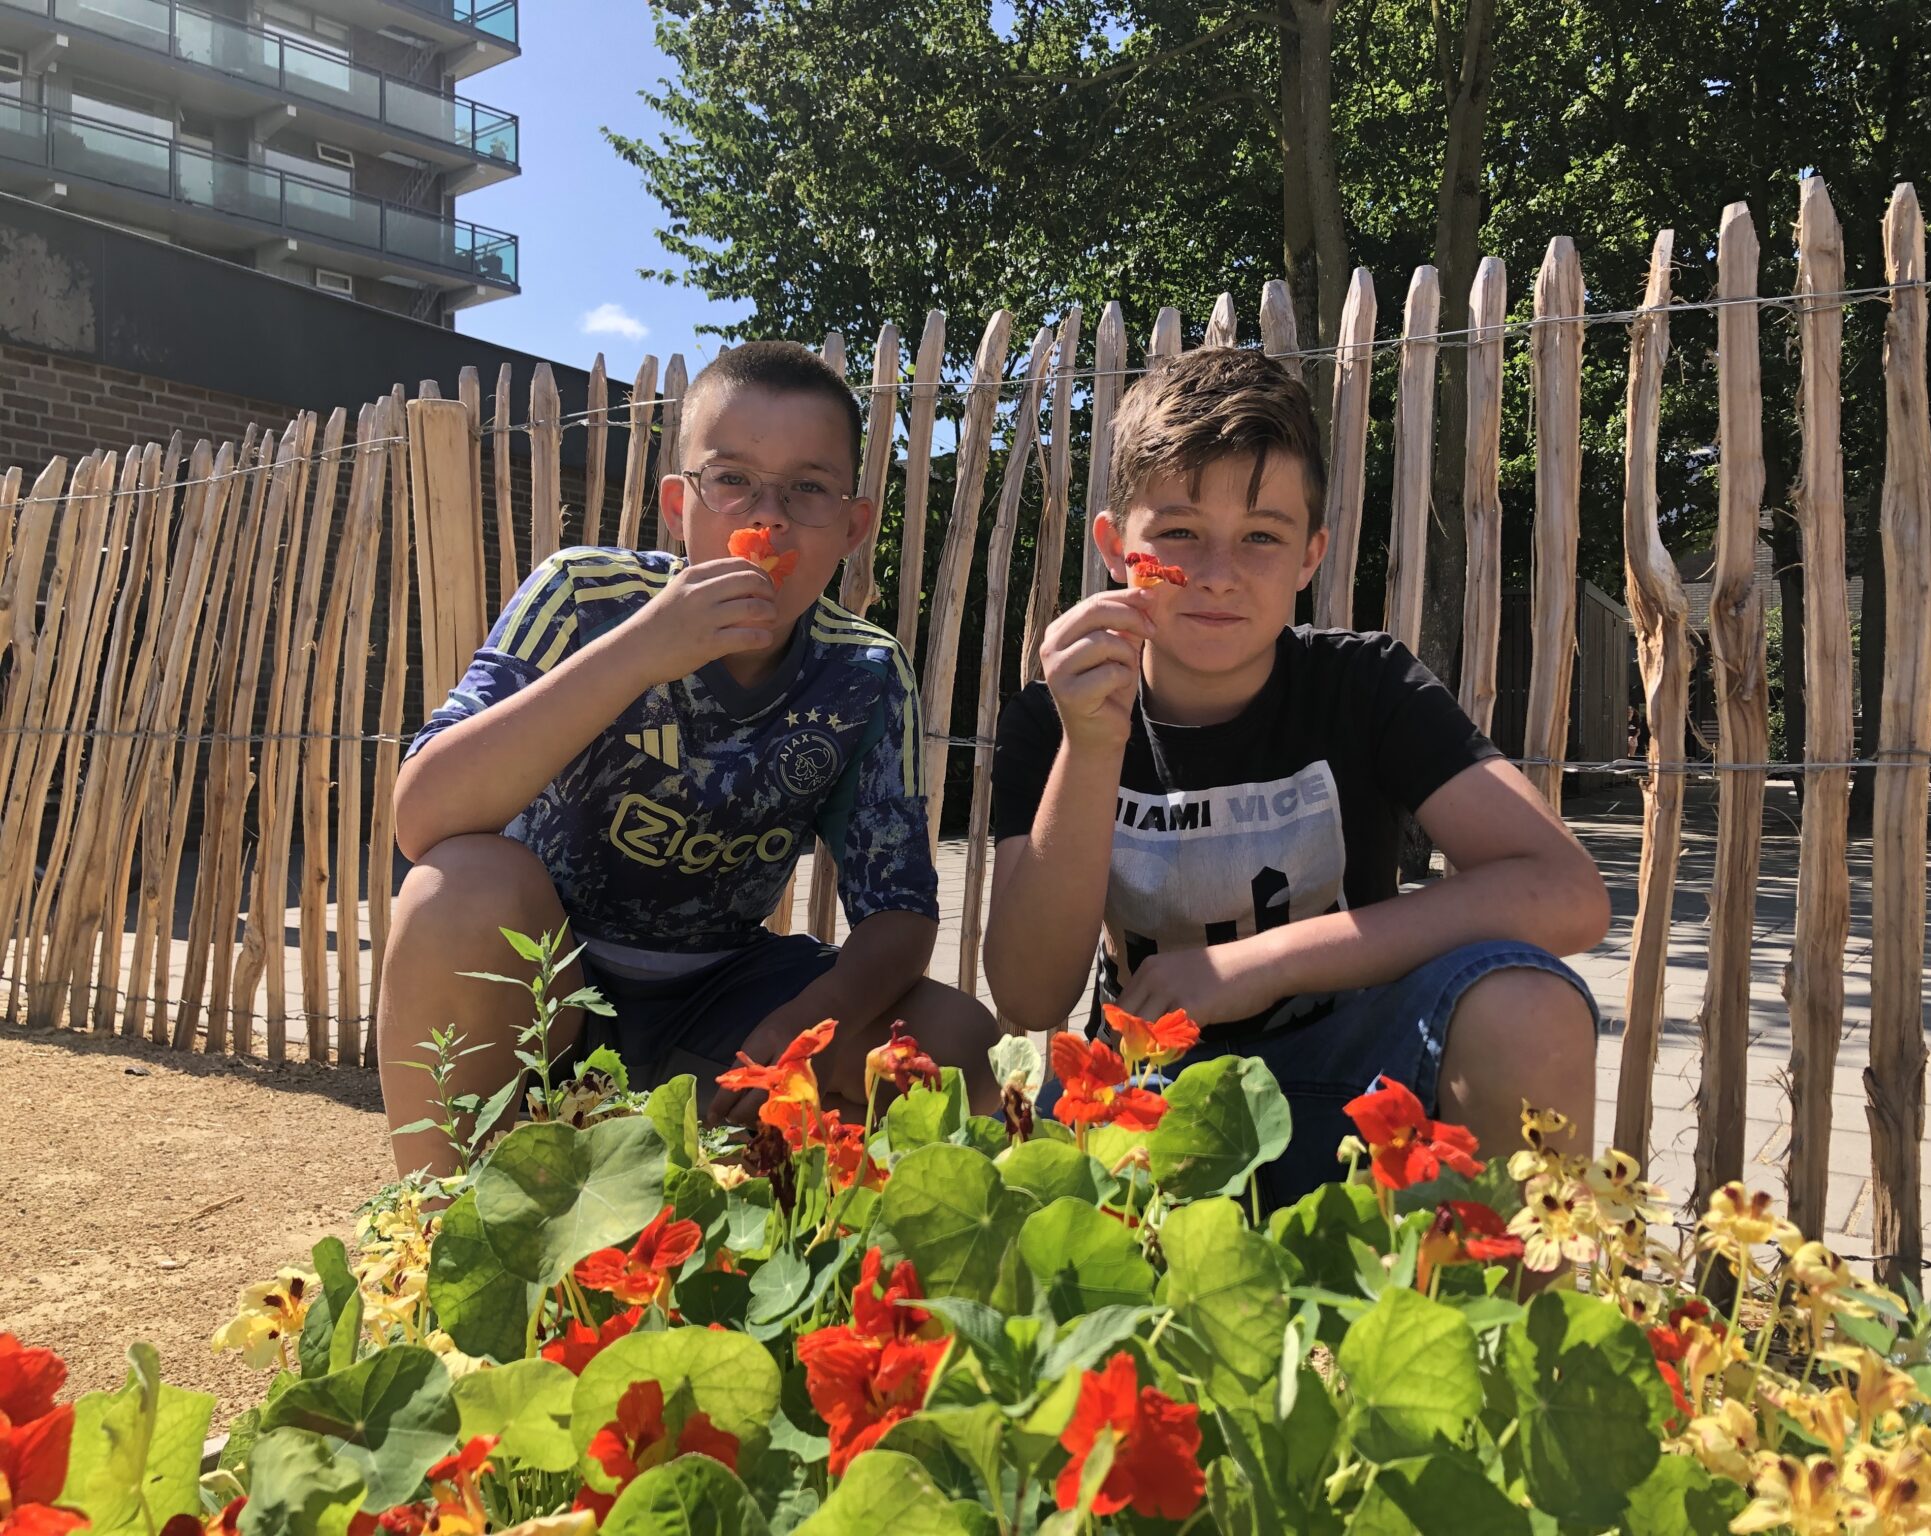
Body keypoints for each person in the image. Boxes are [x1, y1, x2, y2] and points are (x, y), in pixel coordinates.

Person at [983, 348, 1610, 1202]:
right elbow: (1027, 993)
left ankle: (1522, 1318)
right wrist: (1091, 748)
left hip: (1363, 1085)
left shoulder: (1366, 686)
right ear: (1114, 548)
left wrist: (1260, 964)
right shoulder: (1054, 713)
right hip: (1151, 1101)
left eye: (1261, 538)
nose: (1216, 574)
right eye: (1178, 534)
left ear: (1311, 557)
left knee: (1532, 1004)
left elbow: (1569, 895)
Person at [378, 341, 997, 1176]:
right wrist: (640, 652)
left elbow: (899, 911)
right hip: (544, 991)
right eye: (731, 479)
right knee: (456, 889)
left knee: (957, 1042)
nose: (766, 518)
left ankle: (767, 1229)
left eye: (807, 489)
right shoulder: (582, 598)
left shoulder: (865, 672)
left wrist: (811, 1021)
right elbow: (424, 818)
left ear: (853, 527)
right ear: (679, 505)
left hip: (725, 1000)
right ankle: (438, 1226)